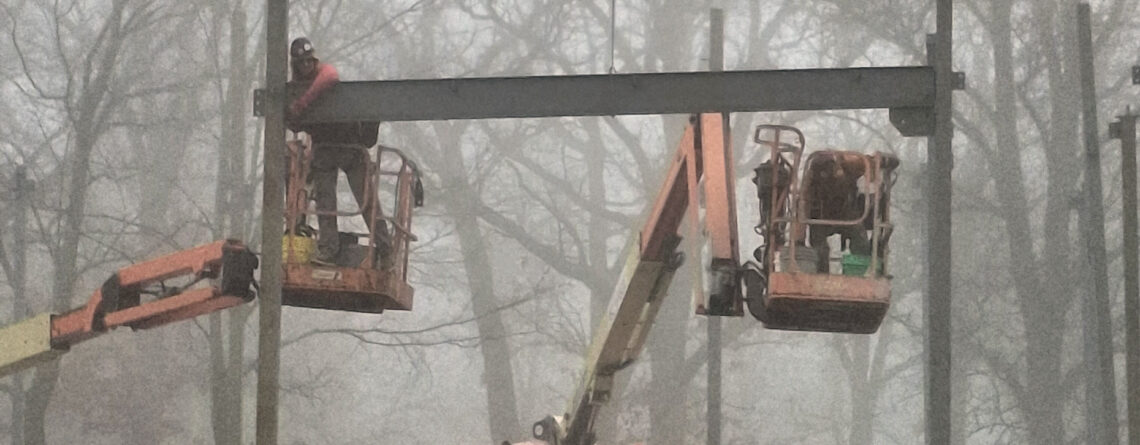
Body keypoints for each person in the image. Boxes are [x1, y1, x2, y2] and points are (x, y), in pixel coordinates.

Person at [287, 37, 388, 266]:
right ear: (296, 65)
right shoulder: (296, 89)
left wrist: (303, 103)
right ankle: (328, 248)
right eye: (302, 63)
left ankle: (385, 249)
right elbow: (292, 120)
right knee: (325, 201)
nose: (307, 66)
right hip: (325, 149)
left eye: (309, 62)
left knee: (367, 200)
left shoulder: (322, 79)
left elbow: (330, 75)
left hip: (351, 147)